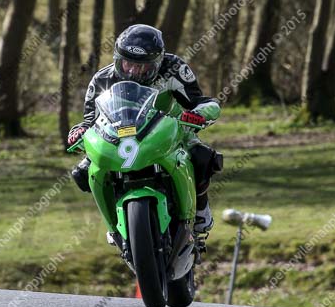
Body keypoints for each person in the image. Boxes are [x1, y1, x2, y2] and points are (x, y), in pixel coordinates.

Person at [68, 24, 221, 234]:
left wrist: (199, 114)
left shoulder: (174, 68)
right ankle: (114, 224)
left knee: (203, 157)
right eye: (127, 64)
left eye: (142, 67)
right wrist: (78, 132)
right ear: (117, 58)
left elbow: (200, 102)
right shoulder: (102, 80)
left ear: (158, 62)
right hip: (118, 136)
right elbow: (88, 122)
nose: (132, 71)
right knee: (82, 174)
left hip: (168, 128)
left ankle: (201, 210)